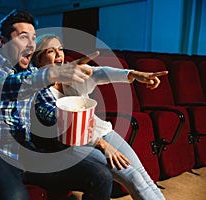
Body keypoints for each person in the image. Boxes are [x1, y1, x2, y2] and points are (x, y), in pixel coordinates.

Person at [0, 9, 113, 200]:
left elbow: (46, 108)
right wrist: (50, 74)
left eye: (33, 38)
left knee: (100, 176)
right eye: (24, 37)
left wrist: (73, 117)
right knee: (16, 196)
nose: (31, 45)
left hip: (27, 152)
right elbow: (1, 87)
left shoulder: (33, 72)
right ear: (3, 42)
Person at [31, 33, 168, 200]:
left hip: (98, 130)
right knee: (133, 177)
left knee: (142, 173)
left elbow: (98, 73)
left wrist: (134, 74)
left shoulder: (70, 70)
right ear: (39, 59)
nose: (59, 54)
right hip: (75, 143)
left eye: (60, 49)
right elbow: (66, 125)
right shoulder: (36, 86)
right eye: (51, 51)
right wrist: (103, 145)